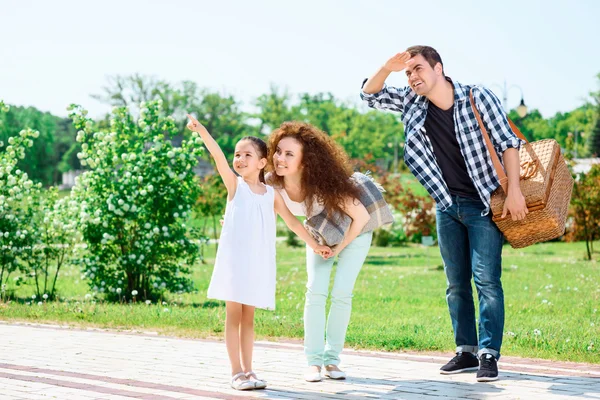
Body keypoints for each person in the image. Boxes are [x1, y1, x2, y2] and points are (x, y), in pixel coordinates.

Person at [361, 46, 528, 382]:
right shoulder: (412, 101)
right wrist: (386, 67)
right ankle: (465, 351)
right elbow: (369, 96)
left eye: (418, 69)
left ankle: (488, 355)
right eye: (408, 73)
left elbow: (508, 142)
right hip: (446, 205)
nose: (413, 77)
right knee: (455, 284)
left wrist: (514, 191)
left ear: (439, 68)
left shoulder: (476, 97)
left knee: (486, 281)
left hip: (484, 202)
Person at [186, 115, 332, 390]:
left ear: (262, 162)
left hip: (257, 264)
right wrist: (202, 130)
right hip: (234, 263)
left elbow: (292, 222)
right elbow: (216, 155)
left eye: (247, 155)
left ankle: (250, 370)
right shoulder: (234, 185)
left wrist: (315, 245)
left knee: (249, 319)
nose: (239, 159)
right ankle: (235, 372)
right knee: (233, 315)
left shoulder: (271, 194)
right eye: (237, 154)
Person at [267, 121, 372, 382]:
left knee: (341, 294)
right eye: (278, 151)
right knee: (315, 291)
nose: (280, 158)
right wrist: (315, 245)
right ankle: (313, 362)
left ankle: (332, 361)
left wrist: (339, 248)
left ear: (305, 161)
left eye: (289, 154)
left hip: (355, 234)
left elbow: (360, 218)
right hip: (321, 234)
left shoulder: (326, 183)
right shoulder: (273, 182)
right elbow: (290, 220)